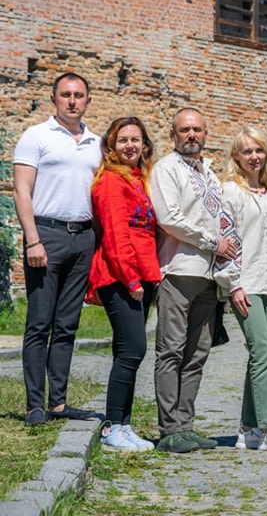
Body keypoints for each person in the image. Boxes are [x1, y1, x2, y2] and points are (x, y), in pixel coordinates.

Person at [13, 72, 101, 426]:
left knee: (67, 325)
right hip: (46, 234)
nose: (72, 101)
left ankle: (59, 403)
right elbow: (21, 190)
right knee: (39, 323)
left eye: (79, 95)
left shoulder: (96, 142)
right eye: (65, 94)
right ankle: (35, 405)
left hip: (83, 238)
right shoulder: (36, 136)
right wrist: (32, 238)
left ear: (87, 101)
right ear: (54, 99)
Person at [150, 108, 236, 454]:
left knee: (197, 353)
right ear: (173, 135)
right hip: (179, 270)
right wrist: (213, 242)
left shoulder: (209, 172)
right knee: (170, 350)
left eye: (197, 130)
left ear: (205, 133)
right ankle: (169, 428)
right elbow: (169, 218)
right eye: (185, 130)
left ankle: (186, 424)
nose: (191, 135)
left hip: (209, 276)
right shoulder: (166, 169)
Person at [214, 126, 267, 453]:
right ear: (236, 156)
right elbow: (226, 243)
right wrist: (234, 284)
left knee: (264, 354)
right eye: (247, 151)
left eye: (259, 150)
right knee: (262, 350)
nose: (254, 156)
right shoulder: (230, 192)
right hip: (245, 283)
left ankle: (247, 430)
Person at [87, 117, 160, 452]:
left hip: (142, 275)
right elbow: (116, 236)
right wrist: (131, 280)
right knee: (134, 349)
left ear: (144, 145)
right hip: (120, 276)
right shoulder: (110, 184)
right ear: (110, 146)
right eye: (122, 140)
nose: (130, 146)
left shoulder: (137, 178)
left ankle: (123, 424)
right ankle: (112, 427)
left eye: (136, 140)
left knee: (125, 350)